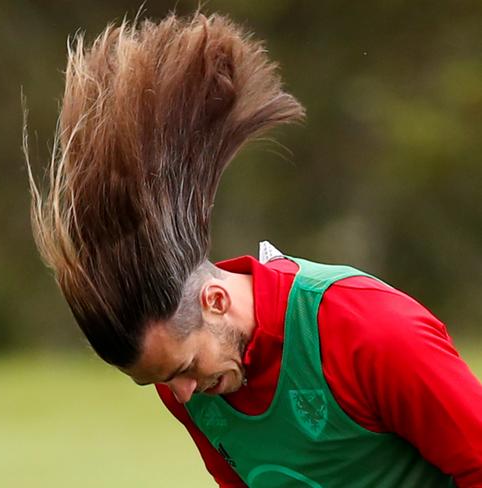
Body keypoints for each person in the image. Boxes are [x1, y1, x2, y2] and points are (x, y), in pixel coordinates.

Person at [24, 12, 482, 487]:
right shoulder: (190, 382)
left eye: (182, 370)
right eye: (160, 381)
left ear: (215, 301)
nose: (181, 395)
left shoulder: (371, 331)